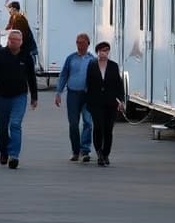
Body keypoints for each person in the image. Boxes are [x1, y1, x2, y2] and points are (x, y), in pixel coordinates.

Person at [0, 29, 37, 168]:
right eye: (12, 40)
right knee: (2, 128)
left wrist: (34, 97)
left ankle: (14, 155)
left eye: (17, 40)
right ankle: (3, 151)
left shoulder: (26, 56)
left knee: (15, 124)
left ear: (21, 42)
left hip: (19, 96)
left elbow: (31, 77)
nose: (14, 42)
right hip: (2, 95)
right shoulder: (0, 54)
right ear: (8, 41)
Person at [54, 32, 95, 162]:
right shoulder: (71, 58)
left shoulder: (92, 60)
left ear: (88, 44)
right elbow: (64, 75)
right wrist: (58, 92)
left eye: (82, 42)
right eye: (77, 42)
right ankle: (75, 150)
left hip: (87, 95)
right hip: (73, 94)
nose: (79, 45)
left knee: (88, 122)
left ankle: (85, 150)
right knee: (73, 124)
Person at [86, 41, 126, 167]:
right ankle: (99, 153)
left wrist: (121, 100)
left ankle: (106, 153)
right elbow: (88, 84)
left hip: (110, 102)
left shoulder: (113, 66)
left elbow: (119, 85)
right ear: (97, 52)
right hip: (96, 102)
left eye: (106, 50)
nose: (104, 53)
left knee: (108, 129)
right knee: (98, 127)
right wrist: (88, 101)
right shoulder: (92, 65)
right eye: (102, 50)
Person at [6, 1, 38, 67]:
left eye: (9, 9)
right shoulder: (13, 17)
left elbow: (22, 35)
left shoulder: (20, 19)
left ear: (14, 9)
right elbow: (8, 28)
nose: (9, 11)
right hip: (22, 47)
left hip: (27, 48)